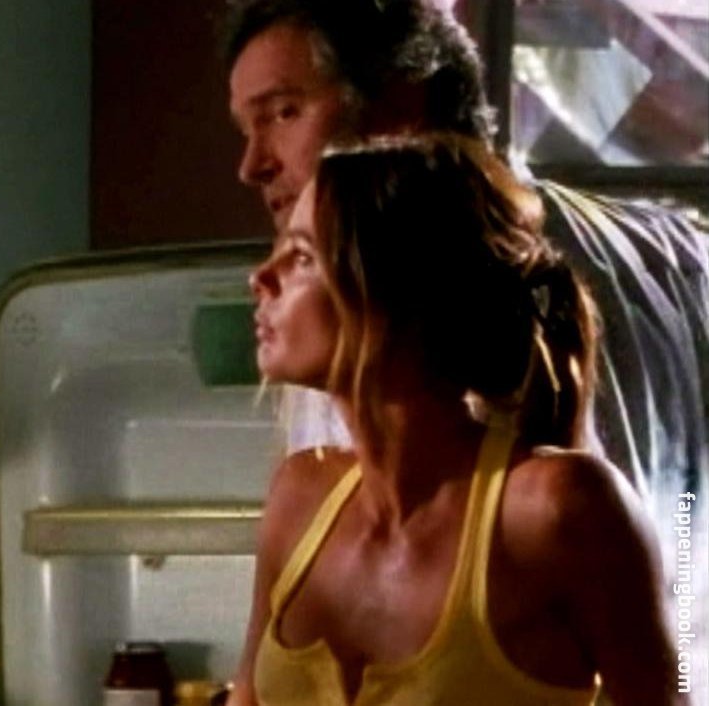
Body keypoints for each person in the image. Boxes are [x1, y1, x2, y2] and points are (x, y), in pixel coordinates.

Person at [221, 1, 708, 699]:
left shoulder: (528, 285)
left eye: (283, 111)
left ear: (401, 108)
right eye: (247, 126)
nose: (250, 166)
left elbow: (663, 571)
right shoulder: (307, 484)